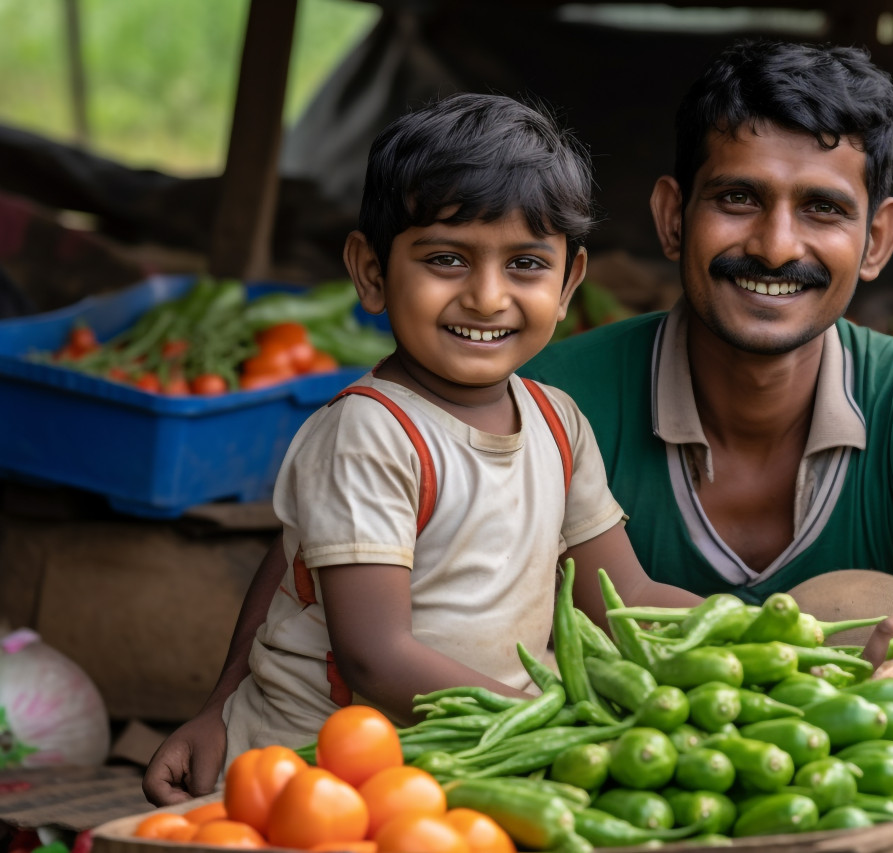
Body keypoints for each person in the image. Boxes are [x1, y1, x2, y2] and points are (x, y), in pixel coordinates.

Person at [144, 41, 893, 806]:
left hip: (491, 761)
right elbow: (321, 555)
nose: (774, 243)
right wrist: (223, 697)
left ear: (876, 238)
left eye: (821, 211)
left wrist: (816, 673)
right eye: (737, 200)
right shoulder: (544, 387)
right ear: (670, 218)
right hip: (394, 764)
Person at [145, 92, 701, 800]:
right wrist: (562, 723)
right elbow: (378, 658)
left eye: (527, 264)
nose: (487, 296)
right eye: (447, 259)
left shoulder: (558, 424)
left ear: (569, 285)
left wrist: (777, 639)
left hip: (472, 757)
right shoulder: (371, 433)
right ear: (372, 272)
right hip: (318, 777)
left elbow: (626, 600)